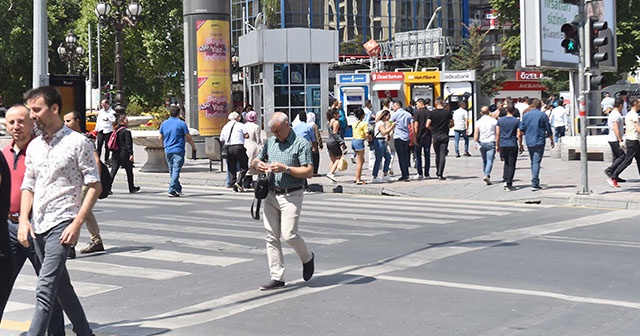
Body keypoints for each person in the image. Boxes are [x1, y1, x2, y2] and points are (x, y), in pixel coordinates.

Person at [19, 86, 98, 336]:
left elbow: (94, 184)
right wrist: (23, 220)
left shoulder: (78, 142)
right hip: (38, 224)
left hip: (63, 222)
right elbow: (28, 185)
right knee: (61, 287)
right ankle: (85, 332)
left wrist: (76, 224)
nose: (33, 115)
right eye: (30, 110)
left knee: (45, 288)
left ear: (54, 109)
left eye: (37, 110)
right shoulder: (34, 147)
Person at [251, 112, 314, 290]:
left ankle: (307, 258)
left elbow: (309, 171)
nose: (276, 135)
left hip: (291, 194)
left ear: (287, 125)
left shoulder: (300, 144)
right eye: (273, 132)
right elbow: (256, 160)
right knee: (271, 236)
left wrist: (286, 168)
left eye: (278, 131)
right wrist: (258, 165)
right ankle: (277, 277)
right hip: (271, 193)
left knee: (289, 234)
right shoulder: (271, 143)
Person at [63, 111, 107, 256]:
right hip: (72, 182)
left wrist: (96, 180)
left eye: (68, 121)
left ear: (77, 121)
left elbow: (96, 159)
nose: (65, 124)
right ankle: (97, 241)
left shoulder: (86, 138)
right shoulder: (64, 138)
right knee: (85, 210)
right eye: (64, 121)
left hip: (85, 181)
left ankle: (70, 245)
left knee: (76, 210)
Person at [159, 106, 197, 197]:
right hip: (178, 149)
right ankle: (171, 189)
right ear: (179, 113)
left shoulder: (164, 124)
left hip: (168, 150)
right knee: (176, 170)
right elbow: (189, 137)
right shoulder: (181, 123)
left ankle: (178, 189)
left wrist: (166, 144)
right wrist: (193, 147)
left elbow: (160, 137)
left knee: (172, 170)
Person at [518, 98, 554, 191]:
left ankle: (534, 180)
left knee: (533, 160)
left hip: (529, 140)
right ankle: (534, 183)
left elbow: (521, 128)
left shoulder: (526, 115)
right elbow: (548, 129)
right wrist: (551, 140)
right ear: (540, 106)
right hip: (539, 140)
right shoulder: (543, 115)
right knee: (536, 161)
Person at [607, 98, 640, 188]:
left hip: (632, 139)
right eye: (639, 102)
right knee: (627, 160)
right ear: (636, 104)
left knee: (638, 160)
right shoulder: (634, 115)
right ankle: (613, 176)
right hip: (633, 140)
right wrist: (620, 139)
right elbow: (637, 129)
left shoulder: (628, 114)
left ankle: (613, 174)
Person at [109, 114, 140, 194]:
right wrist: (131, 154)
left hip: (115, 153)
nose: (128, 121)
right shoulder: (126, 131)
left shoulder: (116, 130)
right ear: (122, 121)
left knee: (113, 171)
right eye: (126, 120)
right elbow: (128, 144)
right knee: (129, 171)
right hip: (124, 154)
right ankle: (131, 187)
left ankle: (108, 188)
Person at [220, 111, 250, 192]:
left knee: (231, 167)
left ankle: (233, 184)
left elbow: (221, 139)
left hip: (228, 148)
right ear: (238, 118)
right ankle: (239, 181)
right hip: (238, 147)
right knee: (244, 165)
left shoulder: (225, 126)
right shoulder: (240, 125)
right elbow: (246, 135)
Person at [426, 97, 452, 180]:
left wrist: (433, 129)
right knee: (442, 154)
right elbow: (452, 123)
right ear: (443, 103)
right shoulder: (447, 113)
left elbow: (427, 125)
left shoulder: (432, 113)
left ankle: (437, 172)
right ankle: (440, 174)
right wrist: (447, 127)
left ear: (436, 103)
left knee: (437, 154)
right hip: (444, 135)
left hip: (435, 135)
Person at [496, 105, 521, 191]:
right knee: (512, 164)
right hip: (512, 143)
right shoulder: (516, 121)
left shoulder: (500, 120)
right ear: (514, 111)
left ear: (506, 110)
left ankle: (505, 179)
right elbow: (519, 134)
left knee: (506, 162)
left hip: (503, 143)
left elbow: (497, 133)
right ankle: (509, 183)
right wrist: (521, 145)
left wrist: (497, 144)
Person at [291, 111, 317, 190]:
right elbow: (313, 139)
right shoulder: (308, 127)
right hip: (305, 148)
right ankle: (304, 185)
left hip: (296, 147)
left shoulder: (295, 127)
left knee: (298, 165)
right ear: (306, 118)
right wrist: (315, 148)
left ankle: (299, 183)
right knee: (305, 166)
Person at [603, 98, 625, 184]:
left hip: (612, 138)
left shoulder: (612, 113)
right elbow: (615, 127)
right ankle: (610, 170)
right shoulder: (616, 115)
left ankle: (614, 175)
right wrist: (620, 139)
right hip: (614, 139)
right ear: (621, 105)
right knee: (622, 156)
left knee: (616, 157)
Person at [474, 106, 498, 185]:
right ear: (489, 112)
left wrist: (476, 142)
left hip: (482, 142)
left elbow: (476, 133)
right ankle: (487, 174)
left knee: (484, 160)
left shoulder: (478, 122)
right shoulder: (494, 121)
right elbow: (497, 133)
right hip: (491, 142)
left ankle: (486, 174)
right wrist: (498, 144)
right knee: (490, 160)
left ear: (481, 113)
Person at [390, 100, 413, 181]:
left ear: (397, 106)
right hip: (406, 137)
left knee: (401, 157)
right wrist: (413, 137)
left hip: (398, 137)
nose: (393, 107)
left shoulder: (394, 114)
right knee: (406, 156)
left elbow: (390, 123)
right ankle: (406, 172)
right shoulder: (408, 114)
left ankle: (404, 174)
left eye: (394, 106)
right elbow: (412, 126)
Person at [371, 109, 395, 183]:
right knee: (379, 159)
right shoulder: (380, 123)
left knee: (388, 157)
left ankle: (385, 174)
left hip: (382, 141)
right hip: (379, 141)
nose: (389, 118)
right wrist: (392, 127)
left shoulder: (382, 123)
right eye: (388, 116)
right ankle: (375, 176)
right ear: (384, 116)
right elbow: (384, 132)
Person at [412, 98, 431, 179]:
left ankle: (420, 173)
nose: (416, 106)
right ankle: (427, 174)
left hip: (419, 137)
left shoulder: (417, 113)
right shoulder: (429, 113)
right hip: (427, 137)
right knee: (427, 155)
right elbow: (430, 124)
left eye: (417, 104)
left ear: (420, 103)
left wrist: (414, 137)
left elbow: (416, 125)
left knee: (418, 155)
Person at [325, 108, 346, 182]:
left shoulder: (329, 122)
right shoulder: (336, 122)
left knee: (333, 160)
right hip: (334, 142)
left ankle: (331, 176)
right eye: (337, 113)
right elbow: (335, 134)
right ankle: (331, 173)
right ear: (334, 115)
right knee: (338, 158)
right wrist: (342, 142)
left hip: (328, 141)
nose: (339, 115)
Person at [243, 110, 263, 188]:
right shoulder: (256, 127)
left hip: (245, 145)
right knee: (254, 164)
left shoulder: (244, 126)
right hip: (253, 146)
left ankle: (246, 181)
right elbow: (258, 139)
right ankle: (254, 182)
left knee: (247, 163)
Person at [350, 108, 368, 184]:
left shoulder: (354, 123)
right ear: (363, 115)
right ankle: (358, 179)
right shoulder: (364, 124)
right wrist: (370, 139)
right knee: (360, 162)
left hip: (353, 141)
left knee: (362, 160)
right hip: (359, 141)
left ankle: (357, 177)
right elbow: (366, 134)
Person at [96, 99, 116, 164]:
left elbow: (114, 121)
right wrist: (96, 129)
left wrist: (109, 119)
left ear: (107, 104)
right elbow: (98, 121)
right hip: (101, 129)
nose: (103, 106)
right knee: (99, 145)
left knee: (107, 146)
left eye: (104, 104)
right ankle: (97, 159)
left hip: (108, 130)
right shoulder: (101, 112)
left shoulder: (112, 112)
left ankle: (106, 160)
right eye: (102, 105)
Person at [307, 112, 323, 177]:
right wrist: (320, 144)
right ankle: (315, 171)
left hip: (307, 144)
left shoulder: (306, 125)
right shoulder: (314, 126)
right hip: (314, 144)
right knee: (315, 158)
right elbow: (317, 136)